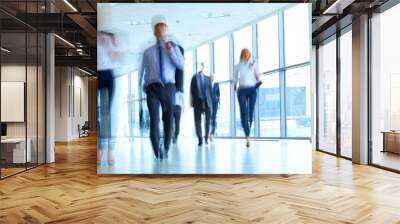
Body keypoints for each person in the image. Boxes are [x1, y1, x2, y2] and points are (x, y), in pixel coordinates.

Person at [139, 15, 184, 159]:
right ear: (154, 31)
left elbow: (181, 65)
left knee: (168, 119)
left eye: (162, 25)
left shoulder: (174, 47)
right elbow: (142, 71)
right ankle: (156, 150)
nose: (160, 28)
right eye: (157, 26)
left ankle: (165, 147)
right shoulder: (147, 52)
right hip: (152, 88)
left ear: (166, 29)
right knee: (154, 119)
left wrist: (170, 49)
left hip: (169, 87)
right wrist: (142, 86)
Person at [97, 31, 119, 165]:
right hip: (97, 74)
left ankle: (110, 150)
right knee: (97, 115)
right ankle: (99, 150)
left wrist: (112, 44)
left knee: (107, 115)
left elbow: (116, 58)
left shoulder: (110, 38)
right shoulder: (96, 37)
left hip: (108, 75)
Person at [234, 48, 262, 147]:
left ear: (249, 55)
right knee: (243, 112)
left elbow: (257, 75)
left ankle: (249, 127)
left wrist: (259, 80)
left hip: (252, 90)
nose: (246, 55)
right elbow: (235, 78)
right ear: (242, 55)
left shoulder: (253, 63)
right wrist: (235, 87)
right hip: (241, 90)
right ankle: (247, 137)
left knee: (250, 111)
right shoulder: (237, 66)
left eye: (248, 54)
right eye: (245, 54)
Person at [190, 62, 213, 146]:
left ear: (203, 67)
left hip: (207, 102)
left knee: (207, 121)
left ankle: (206, 138)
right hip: (197, 101)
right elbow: (191, 91)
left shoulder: (208, 78)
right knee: (197, 121)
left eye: (201, 65)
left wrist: (212, 103)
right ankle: (200, 139)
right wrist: (192, 101)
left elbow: (211, 91)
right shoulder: (194, 78)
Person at [209, 74, 220, 141]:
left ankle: (212, 133)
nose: (212, 78)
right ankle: (208, 132)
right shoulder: (207, 84)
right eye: (211, 77)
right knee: (209, 117)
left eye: (212, 77)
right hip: (209, 103)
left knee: (213, 117)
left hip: (215, 103)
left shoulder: (216, 84)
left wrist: (219, 102)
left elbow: (219, 94)